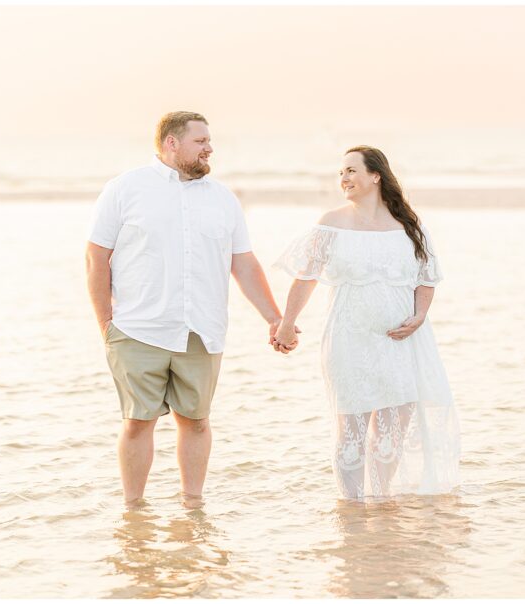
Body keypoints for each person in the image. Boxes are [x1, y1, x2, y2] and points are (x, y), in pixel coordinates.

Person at [86, 111, 292, 506]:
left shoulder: (222, 198)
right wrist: (105, 324)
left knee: (196, 422)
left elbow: (244, 263)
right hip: (136, 328)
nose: (209, 148)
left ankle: (193, 506)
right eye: (201, 141)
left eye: (209, 141)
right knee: (137, 423)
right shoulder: (125, 189)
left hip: (202, 329)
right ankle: (134, 510)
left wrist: (274, 317)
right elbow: (96, 257)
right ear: (171, 143)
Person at [272, 146, 460, 500]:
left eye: (351, 171)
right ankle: (353, 506)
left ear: (375, 175)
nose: (343, 178)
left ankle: (381, 501)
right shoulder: (331, 223)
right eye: (341, 172)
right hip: (348, 338)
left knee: (392, 432)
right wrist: (286, 323)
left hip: (400, 341)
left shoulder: (408, 225)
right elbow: (306, 277)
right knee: (352, 429)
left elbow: (427, 278)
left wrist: (420, 315)